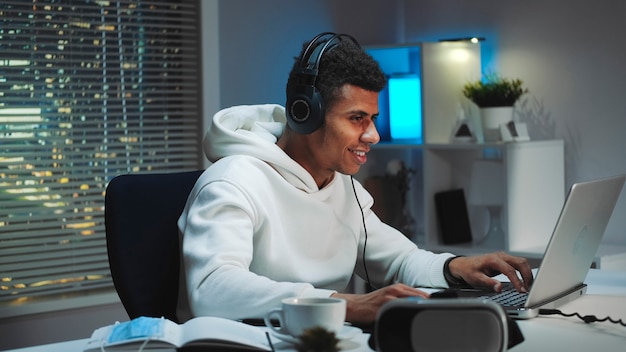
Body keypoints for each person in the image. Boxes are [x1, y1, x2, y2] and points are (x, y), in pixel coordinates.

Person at [176, 32, 533, 325]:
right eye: (357, 118)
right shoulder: (233, 181)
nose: (373, 135)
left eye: (373, 118)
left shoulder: (342, 186)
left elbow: (398, 261)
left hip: (318, 340)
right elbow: (212, 288)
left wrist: (455, 266)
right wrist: (343, 304)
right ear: (306, 114)